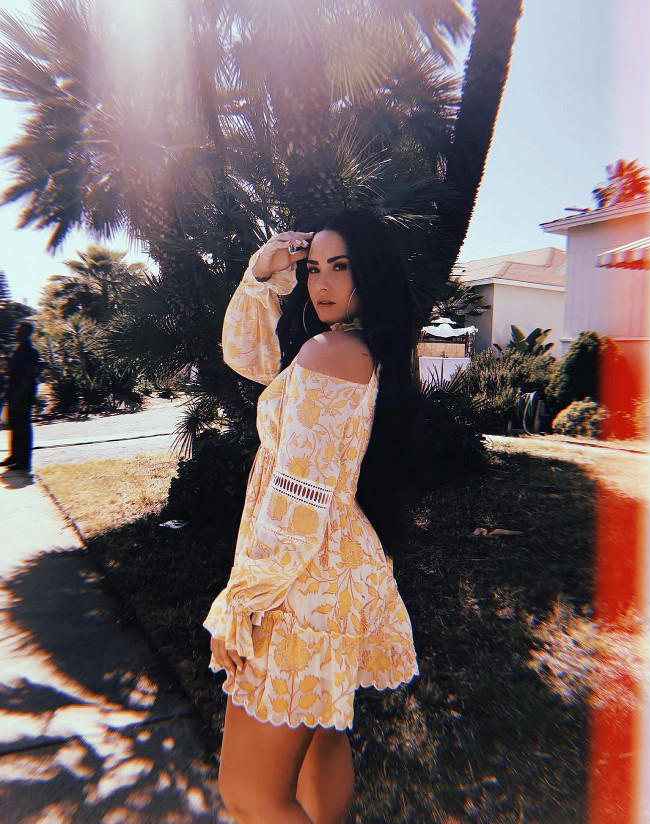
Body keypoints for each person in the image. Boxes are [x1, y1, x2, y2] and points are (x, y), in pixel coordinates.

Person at [204, 211, 419, 824]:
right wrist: (262, 274)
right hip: (336, 571)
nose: (321, 283)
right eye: (315, 268)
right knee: (321, 739)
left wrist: (242, 600)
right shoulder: (359, 348)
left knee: (249, 795)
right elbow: (248, 356)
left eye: (340, 267)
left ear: (369, 273)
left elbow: (296, 498)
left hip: (301, 581)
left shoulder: (329, 353)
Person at [0, 321, 40, 473]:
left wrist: (17, 395)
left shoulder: (30, 351)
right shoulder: (18, 349)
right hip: (14, 393)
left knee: (22, 427)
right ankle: (14, 456)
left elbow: (28, 377)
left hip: (23, 394)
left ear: (27, 333)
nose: (16, 332)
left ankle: (23, 462)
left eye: (20, 330)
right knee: (14, 425)